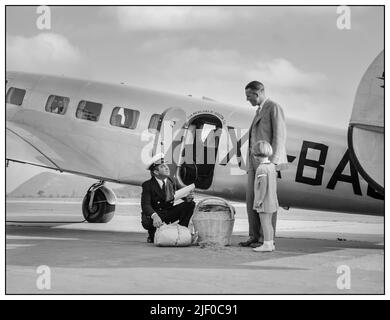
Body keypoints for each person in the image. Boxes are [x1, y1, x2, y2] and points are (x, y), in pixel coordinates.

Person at [239, 81, 288, 248]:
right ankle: (253, 236)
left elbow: (280, 136)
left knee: (266, 201)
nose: (247, 100)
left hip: (266, 163)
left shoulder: (273, 108)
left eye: (249, 96)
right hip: (254, 163)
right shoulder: (259, 110)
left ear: (257, 94)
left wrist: (273, 163)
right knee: (252, 200)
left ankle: (266, 239)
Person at [141, 153, 196, 243]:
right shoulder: (148, 185)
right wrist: (154, 216)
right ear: (156, 172)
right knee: (155, 237)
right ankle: (152, 233)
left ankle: (182, 231)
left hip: (168, 213)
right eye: (162, 166)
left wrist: (187, 198)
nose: (167, 168)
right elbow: (145, 205)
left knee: (190, 205)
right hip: (156, 215)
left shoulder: (171, 182)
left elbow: (177, 195)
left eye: (166, 165)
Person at [252, 141, 278, 252]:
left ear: (256, 155)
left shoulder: (261, 169)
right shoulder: (272, 166)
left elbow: (263, 186)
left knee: (265, 223)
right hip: (272, 200)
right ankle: (270, 243)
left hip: (264, 201)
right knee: (269, 223)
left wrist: (259, 200)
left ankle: (266, 245)